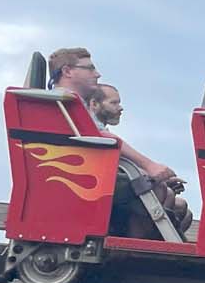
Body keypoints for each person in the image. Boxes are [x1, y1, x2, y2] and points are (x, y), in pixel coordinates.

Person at [47, 47, 178, 188]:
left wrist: (146, 171)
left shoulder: (64, 103)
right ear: (67, 71)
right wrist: (149, 166)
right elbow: (102, 137)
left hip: (78, 176)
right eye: (90, 69)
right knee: (160, 191)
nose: (97, 74)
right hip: (83, 179)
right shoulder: (64, 103)